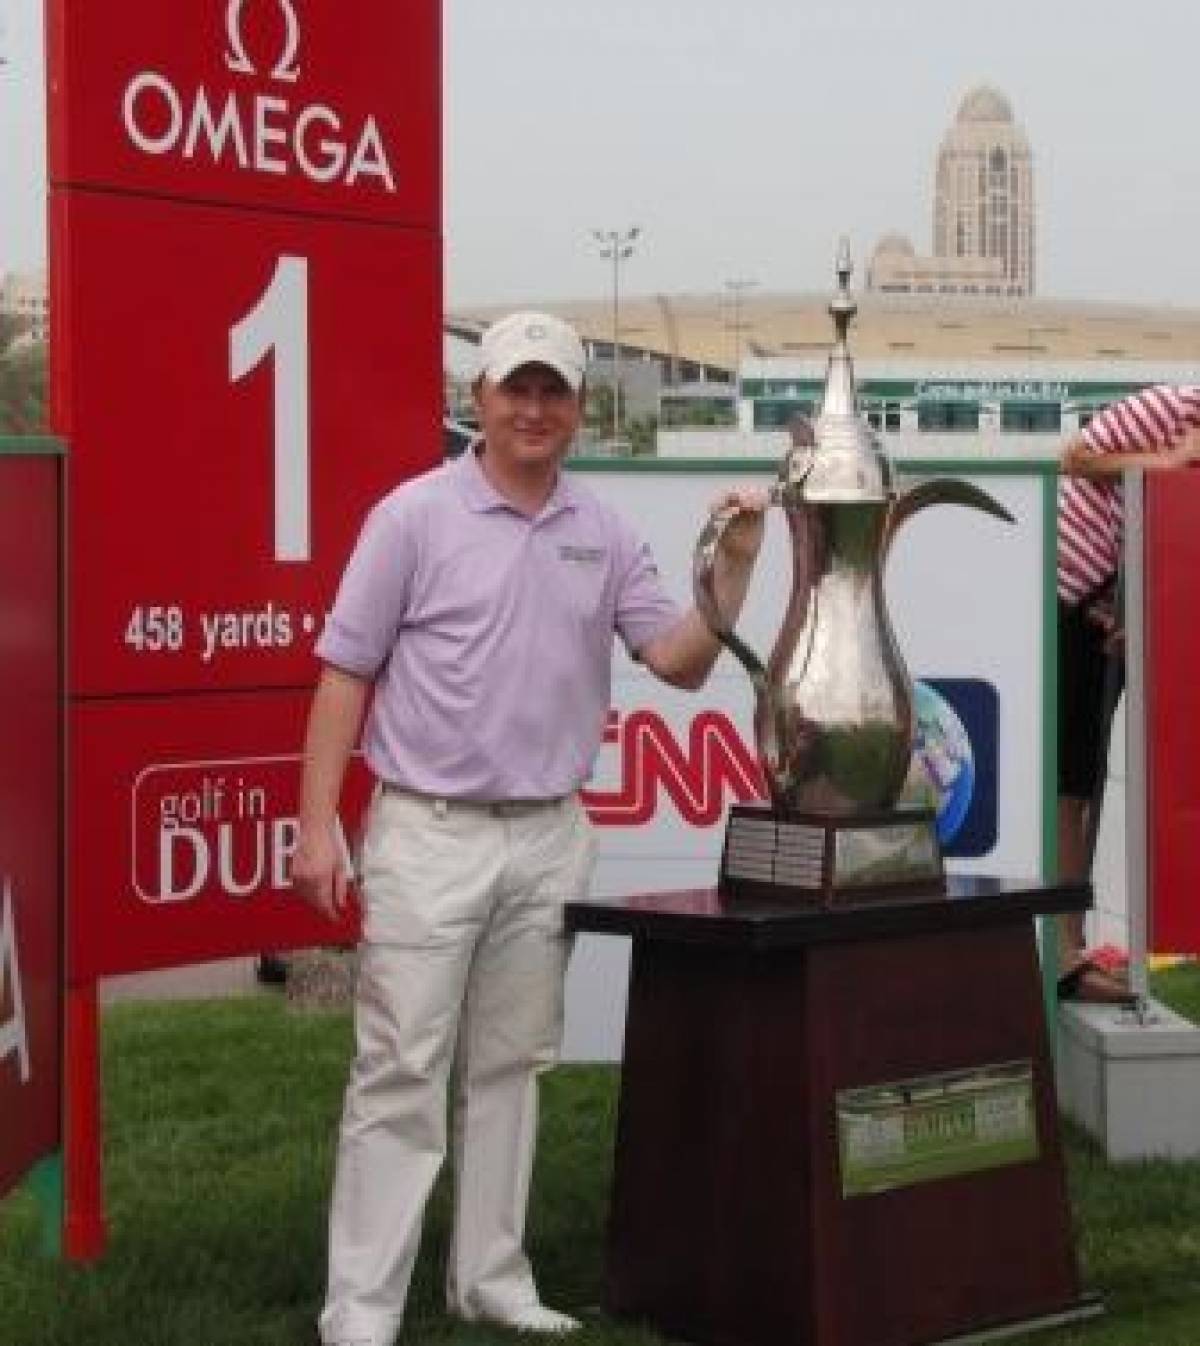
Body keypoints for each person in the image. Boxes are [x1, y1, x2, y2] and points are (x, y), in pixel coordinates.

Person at [292, 310, 762, 1346]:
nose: (534, 409)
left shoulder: (601, 527)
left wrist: (734, 561)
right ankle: (361, 1308)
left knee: (511, 1063)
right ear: (479, 399)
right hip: (427, 828)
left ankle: (489, 1278)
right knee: (400, 1069)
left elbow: (678, 658)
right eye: (517, 388)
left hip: (548, 830)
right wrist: (316, 821)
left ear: (580, 410)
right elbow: (345, 671)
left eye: (554, 391)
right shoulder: (412, 516)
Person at [1055, 384, 1200, 1002]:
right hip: (1061, 595)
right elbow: (1076, 456)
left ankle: (1073, 945)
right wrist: (1169, 462)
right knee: (1067, 784)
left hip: (1110, 608)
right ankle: (1063, 957)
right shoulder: (1174, 408)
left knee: (1087, 781)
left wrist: (1131, 614)